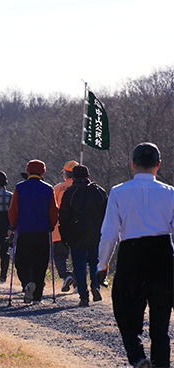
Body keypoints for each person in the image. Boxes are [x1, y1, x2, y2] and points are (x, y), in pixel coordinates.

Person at [97, 142, 174, 368]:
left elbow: (109, 234)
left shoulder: (119, 192)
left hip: (132, 256)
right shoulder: (170, 193)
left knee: (127, 315)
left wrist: (102, 265)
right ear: (158, 165)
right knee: (161, 321)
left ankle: (138, 358)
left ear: (132, 164)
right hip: (162, 255)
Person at [8, 160, 59, 304]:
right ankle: (37, 297)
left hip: (24, 231)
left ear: (28, 171)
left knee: (21, 262)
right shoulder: (48, 189)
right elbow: (54, 212)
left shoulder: (19, 187)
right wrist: (51, 225)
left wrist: (13, 225)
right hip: (42, 232)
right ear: (42, 173)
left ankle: (27, 284)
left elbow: (13, 211)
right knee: (40, 264)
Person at [58, 165, 107, 307]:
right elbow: (107, 214)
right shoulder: (99, 192)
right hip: (95, 235)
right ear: (88, 176)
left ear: (73, 178)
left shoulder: (70, 193)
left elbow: (63, 217)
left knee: (79, 266)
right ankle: (95, 286)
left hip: (76, 236)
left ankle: (83, 296)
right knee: (94, 262)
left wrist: (65, 237)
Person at [52, 160, 78, 292]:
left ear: (66, 174)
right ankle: (78, 283)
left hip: (59, 228)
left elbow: (51, 208)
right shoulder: (84, 187)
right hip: (79, 228)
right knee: (78, 256)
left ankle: (66, 275)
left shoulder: (57, 188)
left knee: (60, 255)